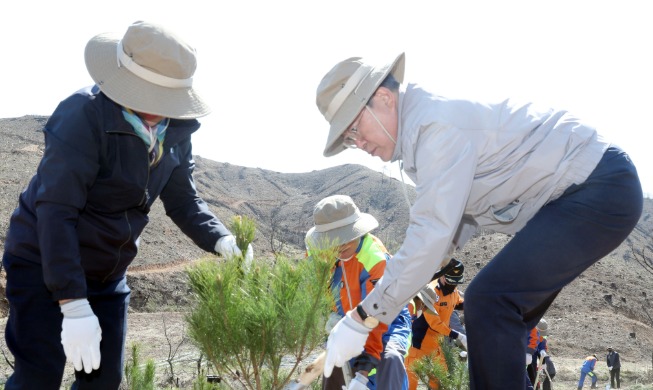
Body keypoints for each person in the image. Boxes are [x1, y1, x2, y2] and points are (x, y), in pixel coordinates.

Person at [314, 52, 643, 389]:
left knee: (490, 301)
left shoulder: (435, 127)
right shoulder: (423, 134)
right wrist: (417, 275)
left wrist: (363, 317)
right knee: (497, 316)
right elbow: (454, 228)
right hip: (582, 195)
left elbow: (431, 234)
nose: (358, 143)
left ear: (382, 98)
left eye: (355, 128)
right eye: (349, 139)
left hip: (598, 187)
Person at [1, 21, 253, 389]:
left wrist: (221, 239)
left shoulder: (176, 133)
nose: (156, 110)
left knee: (104, 379)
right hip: (43, 260)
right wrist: (71, 303)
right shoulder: (82, 115)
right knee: (40, 373)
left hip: (107, 271)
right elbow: (56, 211)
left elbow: (183, 200)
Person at [305, 195, 411, 390]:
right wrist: (329, 318)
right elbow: (313, 286)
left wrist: (363, 374)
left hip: (387, 322)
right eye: (333, 240)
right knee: (335, 369)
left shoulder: (375, 260)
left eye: (346, 237)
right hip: (345, 319)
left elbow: (377, 315)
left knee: (389, 359)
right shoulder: (323, 255)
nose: (341, 245)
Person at [405, 259, 466, 390]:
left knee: (440, 384)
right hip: (418, 348)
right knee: (409, 386)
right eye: (450, 282)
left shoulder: (453, 292)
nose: (453, 286)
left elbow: (459, 303)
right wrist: (459, 336)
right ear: (443, 275)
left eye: (456, 283)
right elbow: (435, 323)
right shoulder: (429, 292)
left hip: (437, 347)